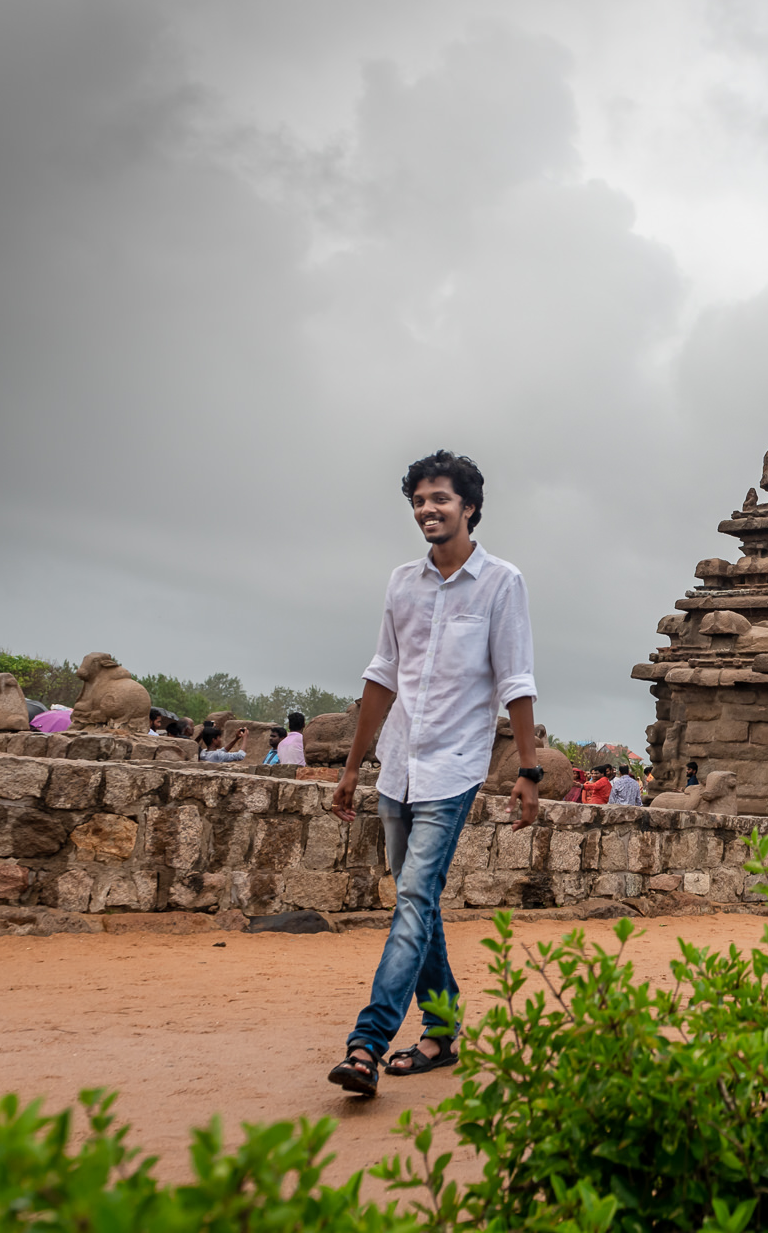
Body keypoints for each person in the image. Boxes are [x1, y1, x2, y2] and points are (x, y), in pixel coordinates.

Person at [327, 451, 539, 1097]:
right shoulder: (401, 583)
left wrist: (529, 769)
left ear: (469, 505)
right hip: (398, 765)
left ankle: (367, 1041)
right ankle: (443, 1031)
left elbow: (516, 681)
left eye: (440, 498)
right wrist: (351, 768)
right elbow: (381, 676)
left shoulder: (502, 583)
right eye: (419, 500)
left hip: (453, 768)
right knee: (419, 902)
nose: (428, 509)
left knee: (415, 897)